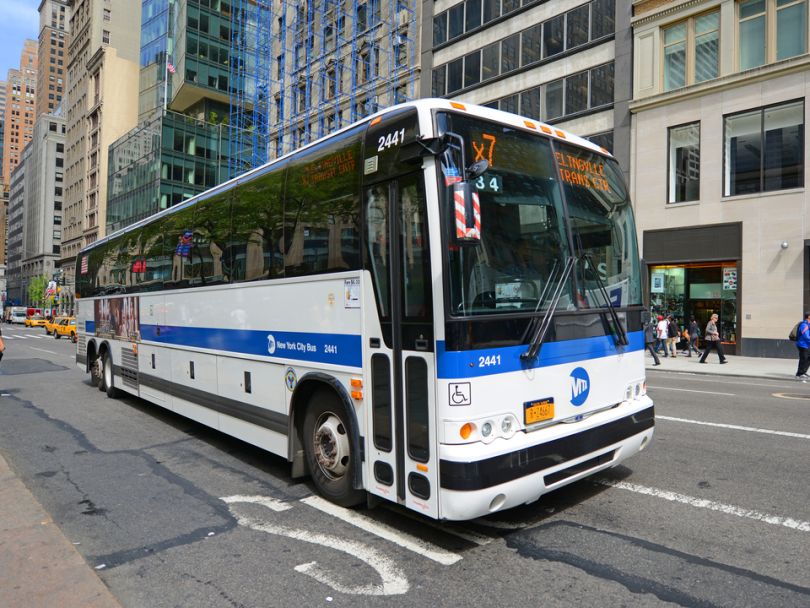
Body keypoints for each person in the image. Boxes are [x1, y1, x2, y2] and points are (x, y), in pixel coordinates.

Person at [794, 312, 810, 380]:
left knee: (808, 359)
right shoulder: (804, 325)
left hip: (807, 344)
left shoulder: (808, 324)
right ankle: (799, 373)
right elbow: (806, 336)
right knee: (803, 359)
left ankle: (804, 372)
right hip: (803, 345)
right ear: (809, 316)